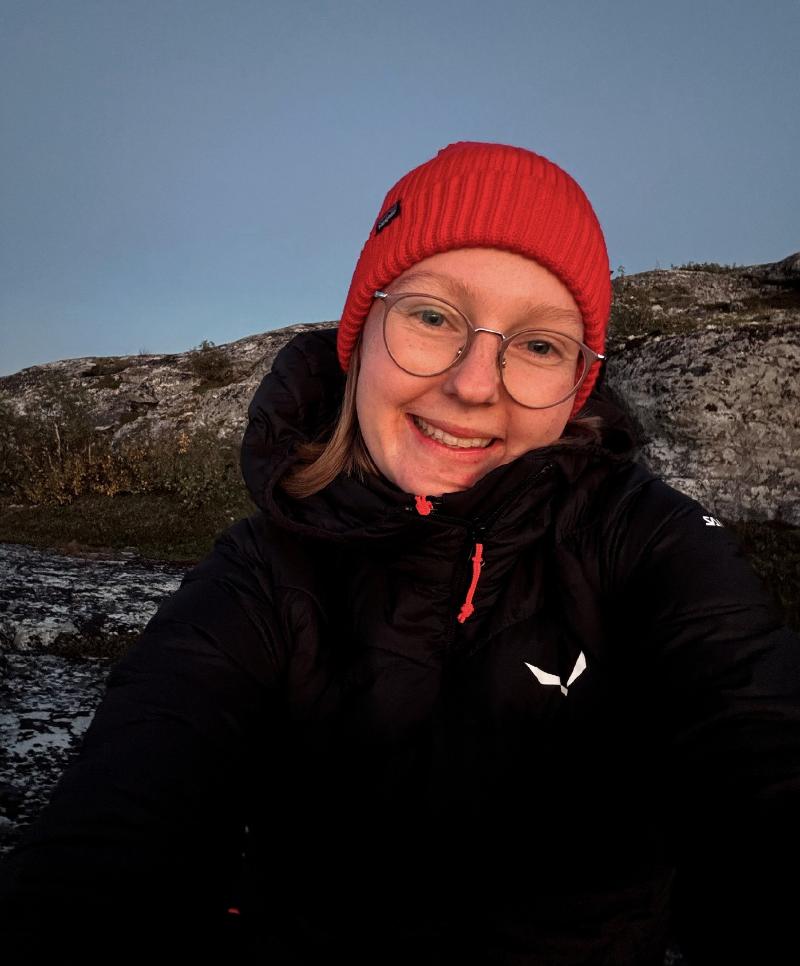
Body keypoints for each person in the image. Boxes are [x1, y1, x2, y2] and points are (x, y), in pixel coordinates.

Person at [1, 141, 798, 965]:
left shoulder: (643, 540)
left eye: (538, 345)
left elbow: (757, 730)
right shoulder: (264, 573)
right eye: (432, 317)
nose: (475, 385)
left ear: (576, 386)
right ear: (361, 332)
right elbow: (116, 828)